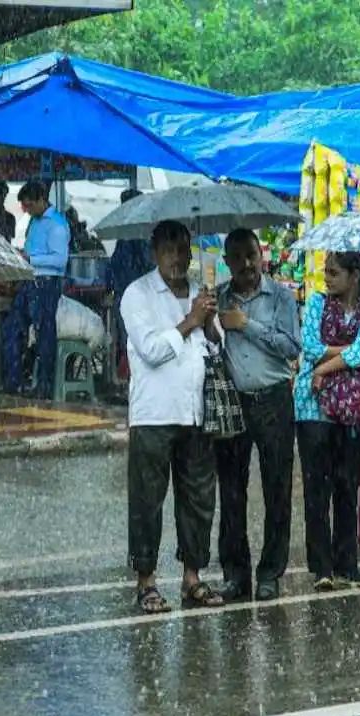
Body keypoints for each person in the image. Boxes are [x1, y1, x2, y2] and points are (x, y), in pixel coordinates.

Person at [119, 220, 222, 613]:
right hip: (154, 414)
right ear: (154, 252)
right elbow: (150, 350)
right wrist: (190, 322)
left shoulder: (198, 292)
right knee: (148, 501)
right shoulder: (137, 294)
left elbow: (214, 349)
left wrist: (210, 325)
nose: (178, 258)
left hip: (195, 412)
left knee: (198, 499)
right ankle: (146, 581)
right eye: (169, 250)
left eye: (183, 249)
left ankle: (192, 577)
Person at [212, 229, 301, 603]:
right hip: (233, 402)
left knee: (276, 489)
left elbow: (291, 346)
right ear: (227, 261)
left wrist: (246, 324)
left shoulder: (280, 296)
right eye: (238, 257)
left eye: (252, 255)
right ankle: (235, 574)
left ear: (261, 255)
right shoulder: (218, 297)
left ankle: (270, 572)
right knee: (231, 492)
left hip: (274, 400)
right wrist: (213, 323)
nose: (247, 264)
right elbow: (211, 345)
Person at [297, 252, 360, 591]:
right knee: (316, 488)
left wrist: (323, 365)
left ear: (354, 276)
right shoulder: (317, 304)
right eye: (326, 272)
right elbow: (310, 346)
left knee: (348, 486)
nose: (327, 278)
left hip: (353, 409)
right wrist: (344, 353)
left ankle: (346, 563)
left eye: (334, 273)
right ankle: (321, 567)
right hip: (311, 407)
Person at [2, 180, 69, 399]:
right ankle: (15, 381)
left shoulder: (57, 224)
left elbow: (60, 260)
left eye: (30, 206)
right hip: (29, 281)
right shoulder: (34, 222)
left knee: (44, 335)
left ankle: (44, 386)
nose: (28, 211)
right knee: (12, 329)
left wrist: (31, 258)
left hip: (47, 284)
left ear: (42, 199)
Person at [107, 189, 154, 380]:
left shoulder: (134, 231)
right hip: (128, 292)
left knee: (131, 340)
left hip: (131, 294)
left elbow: (142, 263)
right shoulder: (134, 229)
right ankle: (130, 379)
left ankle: (133, 379)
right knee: (130, 340)